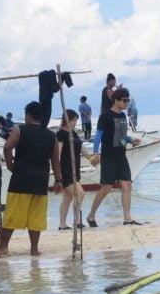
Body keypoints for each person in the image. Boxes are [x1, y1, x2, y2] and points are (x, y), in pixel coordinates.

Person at [0, 101, 61, 258]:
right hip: (41, 179)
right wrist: (58, 181)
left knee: (12, 215)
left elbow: (7, 147)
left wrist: (10, 165)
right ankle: (34, 249)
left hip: (21, 177)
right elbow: (55, 161)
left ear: (28, 115)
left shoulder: (19, 130)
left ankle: (3, 247)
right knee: (36, 217)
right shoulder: (51, 136)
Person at [86, 87, 142, 228]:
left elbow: (122, 136)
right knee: (106, 187)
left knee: (127, 185)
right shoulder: (105, 116)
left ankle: (127, 219)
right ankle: (91, 215)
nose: (126, 103)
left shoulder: (123, 116)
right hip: (108, 156)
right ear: (116, 100)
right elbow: (98, 135)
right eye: (124, 101)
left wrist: (131, 140)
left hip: (121, 155)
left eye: (128, 100)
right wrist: (95, 152)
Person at [56, 110, 96, 232]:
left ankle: (62, 224)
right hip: (66, 169)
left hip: (75, 169)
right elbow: (58, 154)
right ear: (68, 120)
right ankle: (77, 221)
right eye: (74, 121)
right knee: (80, 193)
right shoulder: (60, 134)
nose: (75, 123)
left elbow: (81, 147)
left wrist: (90, 157)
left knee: (67, 198)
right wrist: (58, 173)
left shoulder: (73, 133)